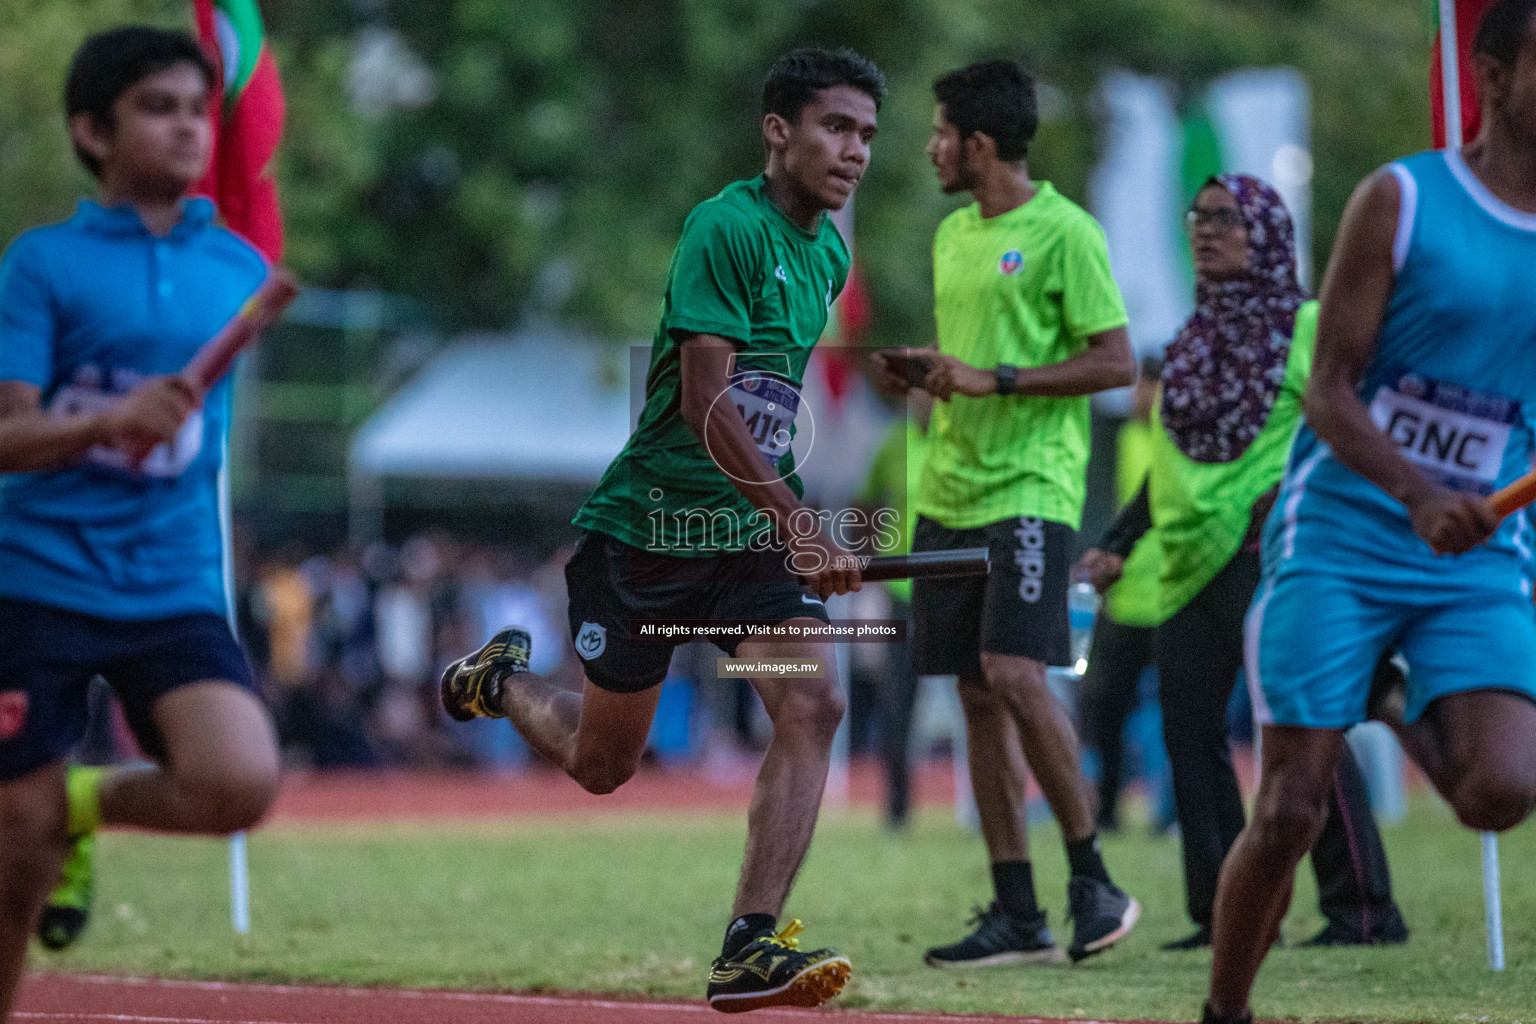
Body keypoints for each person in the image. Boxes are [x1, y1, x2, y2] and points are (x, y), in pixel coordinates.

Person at [439, 48, 883, 1014]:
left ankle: (748, 947)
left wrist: (789, 532)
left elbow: (775, 410)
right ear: (779, 131)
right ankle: (500, 680)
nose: (854, 152)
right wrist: (806, 527)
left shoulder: (831, 254)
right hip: (648, 530)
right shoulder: (722, 228)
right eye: (835, 128)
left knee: (815, 707)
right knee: (605, 767)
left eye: (866, 137)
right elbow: (704, 402)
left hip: (751, 539)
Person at [1203, 3, 1536, 1020]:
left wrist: (1460, 508)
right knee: (1292, 806)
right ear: (1488, 73)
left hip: (1481, 546)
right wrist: (1419, 492)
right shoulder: (1402, 198)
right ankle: (1225, 1012)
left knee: (1500, 791)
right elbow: (1330, 392)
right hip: (1344, 530)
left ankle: (1389, 698)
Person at [0, 27, 281, 1020]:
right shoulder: (42, 266)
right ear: (91, 129)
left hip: (171, 581)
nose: (189, 128)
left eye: (200, 110)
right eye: (158, 108)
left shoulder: (238, 269)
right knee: (13, 837)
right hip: (39, 578)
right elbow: (7, 433)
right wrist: (111, 420)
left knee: (238, 781)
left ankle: (89, 803)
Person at [1078, 174, 1408, 951]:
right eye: (1199, 217)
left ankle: (1364, 910)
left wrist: (1302, 495)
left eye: (1227, 219)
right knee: (1189, 735)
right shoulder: (1189, 341)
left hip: (1273, 551)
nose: (1206, 230)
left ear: (1267, 232)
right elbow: (1168, 464)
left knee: (1305, 731)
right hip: (1186, 564)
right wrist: (1118, 542)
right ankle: (1225, 915)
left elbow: (1353, 423)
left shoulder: (1310, 326)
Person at [874, 59, 1140, 967]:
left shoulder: (1067, 233)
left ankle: (1096, 881)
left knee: (1016, 673)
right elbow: (970, 355)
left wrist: (1002, 380)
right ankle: (1019, 914)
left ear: (979, 145)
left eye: (941, 133)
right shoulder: (953, 236)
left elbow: (1117, 363)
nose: (930, 147)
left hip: (1031, 490)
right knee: (979, 698)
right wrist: (928, 368)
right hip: (945, 492)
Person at [1078, 357, 1163, 833]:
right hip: (1122, 603)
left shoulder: (1181, 444)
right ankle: (1106, 812)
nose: (1143, 397)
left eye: (1153, 387)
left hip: (1170, 599)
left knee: (1180, 720)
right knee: (1104, 716)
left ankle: (1169, 814)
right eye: (1140, 387)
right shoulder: (1113, 442)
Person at [855, 388, 932, 828]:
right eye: (915, 391)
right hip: (901, 595)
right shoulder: (894, 442)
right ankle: (898, 810)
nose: (923, 399)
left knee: (978, 699)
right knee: (896, 704)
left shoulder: (958, 439)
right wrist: (867, 566)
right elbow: (863, 503)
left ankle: (990, 808)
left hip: (951, 592)